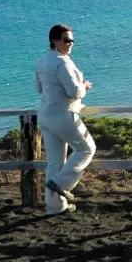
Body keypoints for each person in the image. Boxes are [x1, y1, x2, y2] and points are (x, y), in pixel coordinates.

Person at [34, 23, 96, 216]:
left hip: (44, 115)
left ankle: (54, 207)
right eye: (66, 40)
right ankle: (61, 184)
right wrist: (85, 86)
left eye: (72, 40)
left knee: (55, 161)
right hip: (62, 115)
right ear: (54, 41)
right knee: (87, 148)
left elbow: (39, 89)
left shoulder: (41, 61)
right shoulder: (62, 62)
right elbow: (74, 91)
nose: (70, 43)